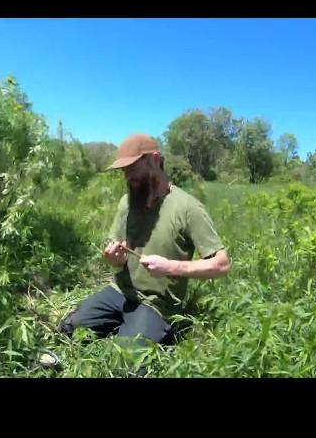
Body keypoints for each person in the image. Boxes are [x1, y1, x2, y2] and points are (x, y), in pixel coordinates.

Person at [59, 133, 231, 346]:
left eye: (133, 168)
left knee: (125, 360)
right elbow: (119, 257)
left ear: (155, 160)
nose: (127, 176)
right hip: (120, 292)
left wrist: (170, 267)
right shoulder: (127, 202)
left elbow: (221, 265)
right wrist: (114, 259)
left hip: (157, 305)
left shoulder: (188, 208)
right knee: (68, 330)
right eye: (124, 171)